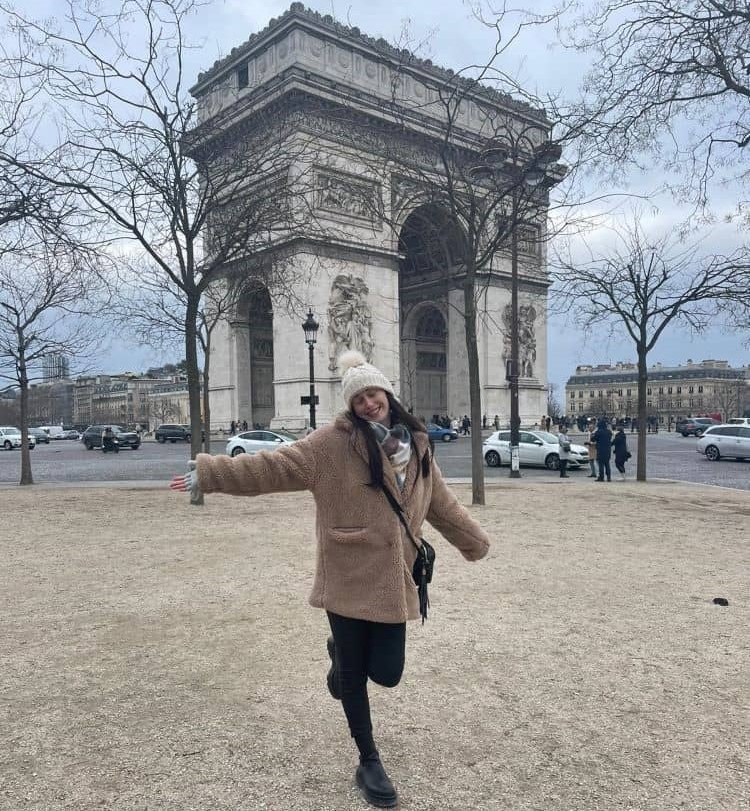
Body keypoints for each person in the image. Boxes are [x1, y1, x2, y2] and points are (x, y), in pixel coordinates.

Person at [170, 350, 491, 808]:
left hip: (394, 579)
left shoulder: (419, 446)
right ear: (351, 406)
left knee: (389, 673)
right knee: (356, 676)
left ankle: (339, 658)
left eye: (373, 394)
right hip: (346, 574)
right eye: (358, 398)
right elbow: (273, 467)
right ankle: (369, 760)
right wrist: (211, 473)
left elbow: (442, 505)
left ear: (388, 394)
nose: (368, 403)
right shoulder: (330, 445)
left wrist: (474, 542)